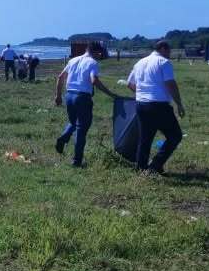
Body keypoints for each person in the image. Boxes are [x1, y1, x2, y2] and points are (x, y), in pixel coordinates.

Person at [54, 41, 118, 167]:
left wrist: (58, 96)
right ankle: (77, 161)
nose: (100, 56)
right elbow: (94, 80)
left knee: (73, 122)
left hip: (69, 95)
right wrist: (110, 94)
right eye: (100, 54)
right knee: (81, 129)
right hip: (82, 97)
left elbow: (60, 77)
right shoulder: (93, 63)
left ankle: (63, 138)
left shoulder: (73, 60)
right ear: (96, 52)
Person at [128, 40, 186, 174]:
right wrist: (179, 104)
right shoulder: (163, 62)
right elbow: (171, 84)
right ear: (163, 49)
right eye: (169, 50)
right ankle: (155, 165)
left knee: (145, 138)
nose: (170, 54)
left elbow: (130, 84)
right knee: (175, 136)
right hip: (159, 105)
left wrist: (142, 93)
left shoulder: (140, 62)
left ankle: (141, 168)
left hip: (141, 105)